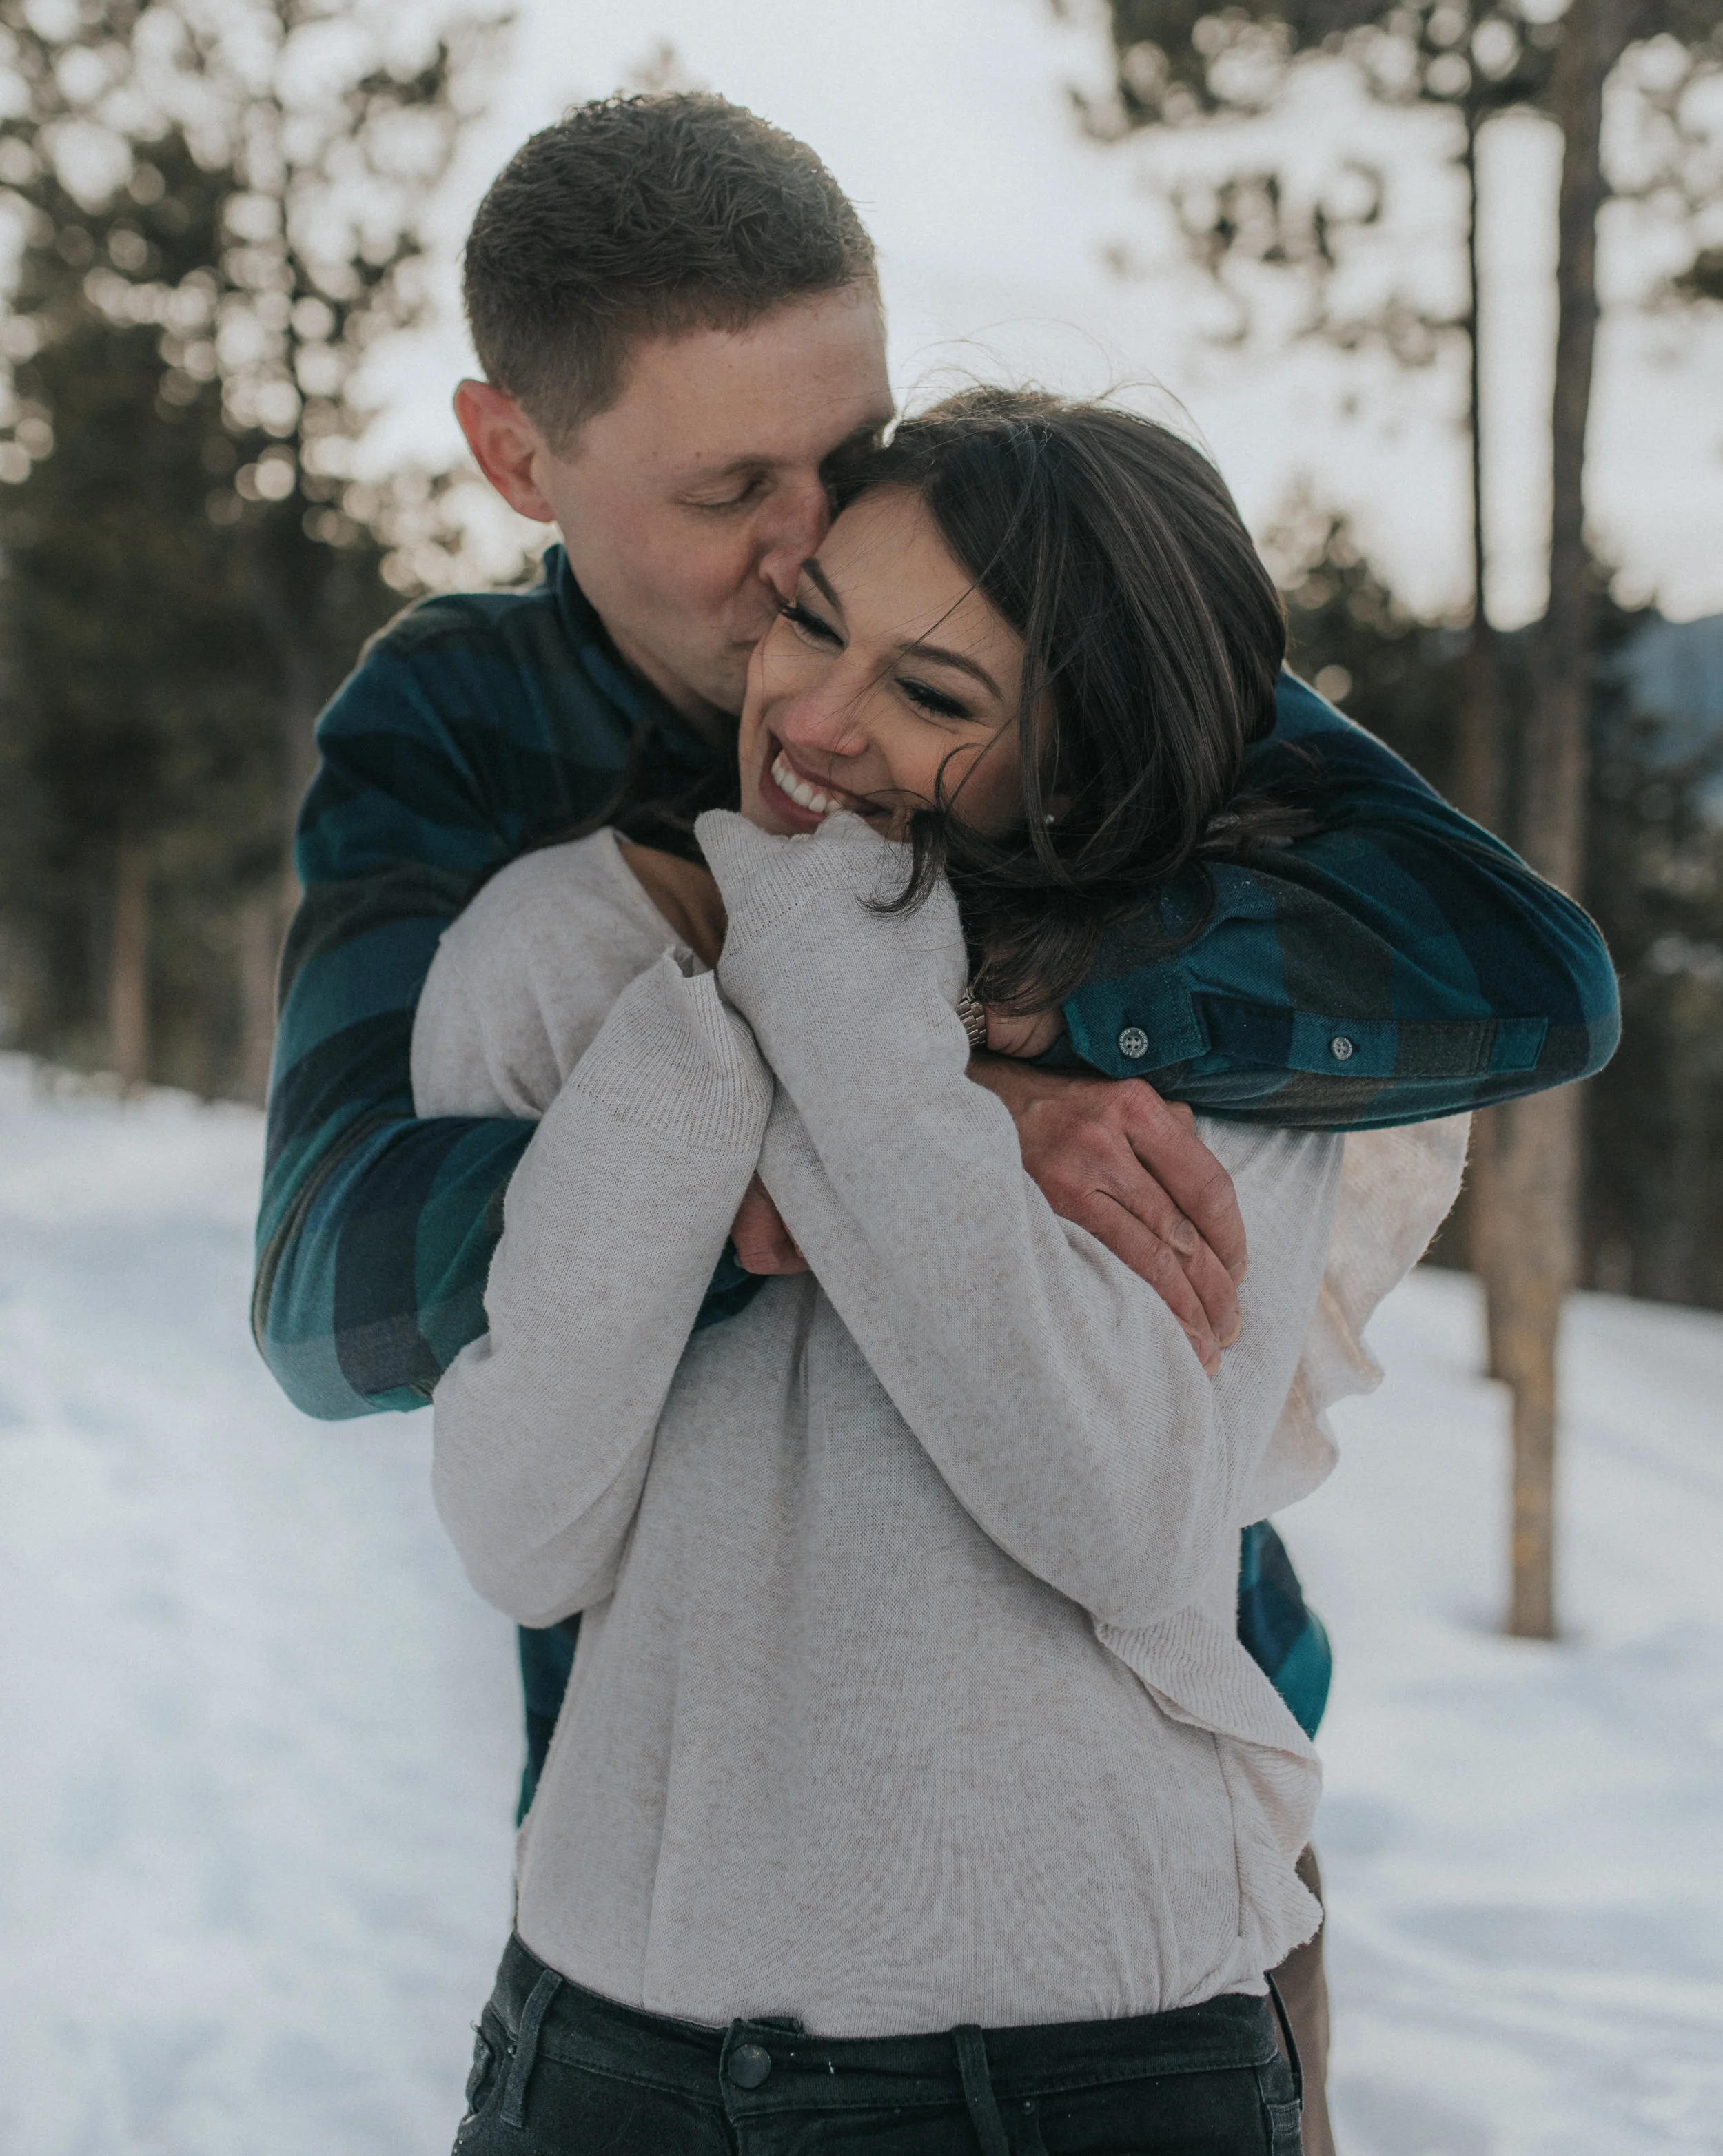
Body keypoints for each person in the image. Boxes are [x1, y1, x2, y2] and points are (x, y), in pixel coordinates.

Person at [254, 94, 1617, 2149]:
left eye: (851, 444)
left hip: (1123, 1897)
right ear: (517, 458)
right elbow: (335, 1277)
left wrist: (1021, 996)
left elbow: (1513, 969)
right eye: (734, 494)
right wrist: (885, 1100)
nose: (814, 538)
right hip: (668, 1885)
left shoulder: (1029, 597)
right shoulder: (460, 735)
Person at [419, 391, 1469, 2152]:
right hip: (603, 2060)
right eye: (816, 620)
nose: (815, 719)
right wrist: (723, 1042)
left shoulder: (1222, 1016)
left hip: (1080, 2070)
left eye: (934, 694)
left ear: (1078, 760)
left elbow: (1119, 1511)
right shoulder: (561, 950)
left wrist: (844, 986)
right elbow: (519, 1525)